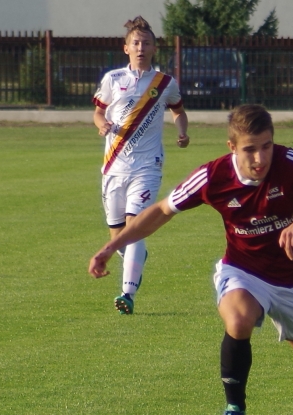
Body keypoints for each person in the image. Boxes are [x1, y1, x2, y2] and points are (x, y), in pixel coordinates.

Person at [88, 104, 293, 415]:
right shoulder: (213, 176)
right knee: (239, 320)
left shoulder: (290, 163)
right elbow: (160, 211)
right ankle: (235, 408)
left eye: (266, 146)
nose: (260, 158)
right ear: (232, 147)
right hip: (243, 271)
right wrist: (112, 246)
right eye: (250, 149)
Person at [92, 15, 189, 315]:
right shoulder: (113, 79)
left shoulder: (164, 83)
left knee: (135, 226)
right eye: (136, 42)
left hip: (147, 165)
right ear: (126, 48)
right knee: (118, 235)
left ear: (154, 48)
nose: (141, 47)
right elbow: (98, 112)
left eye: (146, 43)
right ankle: (135, 261)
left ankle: (127, 293)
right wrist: (101, 125)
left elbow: (178, 111)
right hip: (113, 166)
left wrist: (182, 131)